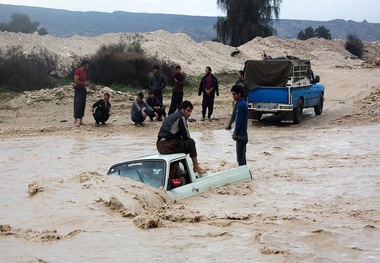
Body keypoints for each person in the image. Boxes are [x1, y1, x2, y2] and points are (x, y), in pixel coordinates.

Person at [156, 100, 207, 174]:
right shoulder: (181, 117)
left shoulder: (171, 116)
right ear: (182, 110)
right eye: (188, 111)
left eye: (190, 112)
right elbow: (186, 136)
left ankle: (178, 168)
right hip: (168, 146)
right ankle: (196, 166)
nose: (189, 114)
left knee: (181, 144)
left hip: (159, 146)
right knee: (191, 142)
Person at [230, 84, 248, 166]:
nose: (233, 96)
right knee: (243, 159)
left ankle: (245, 176)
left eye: (234, 94)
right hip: (244, 134)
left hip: (240, 135)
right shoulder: (243, 104)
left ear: (239, 94)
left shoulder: (241, 105)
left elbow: (239, 121)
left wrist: (235, 133)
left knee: (240, 160)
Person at [73, 59, 89, 127]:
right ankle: (75, 121)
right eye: (87, 66)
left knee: (83, 104)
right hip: (78, 89)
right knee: (77, 104)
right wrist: (84, 83)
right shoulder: (78, 71)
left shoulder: (85, 72)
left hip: (83, 89)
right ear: (84, 65)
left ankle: (81, 121)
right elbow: (76, 80)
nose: (87, 67)